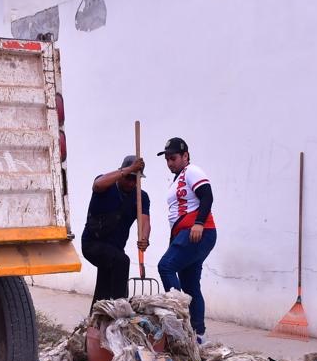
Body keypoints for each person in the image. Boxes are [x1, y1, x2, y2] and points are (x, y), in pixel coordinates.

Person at [156, 136, 217, 341]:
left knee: (165, 266)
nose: (169, 163)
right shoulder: (178, 178)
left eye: (173, 158)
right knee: (190, 285)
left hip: (197, 231)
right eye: (167, 159)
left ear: (185, 156)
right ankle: (198, 336)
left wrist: (199, 223)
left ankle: (179, 322)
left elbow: (207, 196)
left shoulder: (192, 171)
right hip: (186, 234)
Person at [81, 155, 151, 303]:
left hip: (115, 249)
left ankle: (97, 314)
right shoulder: (106, 184)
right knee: (122, 262)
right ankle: (119, 306)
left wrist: (144, 238)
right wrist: (131, 169)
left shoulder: (141, 197)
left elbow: (145, 221)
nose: (131, 183)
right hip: (92, 244)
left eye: (136, 179)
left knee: (105, 283)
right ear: (122, 172)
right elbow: (97, 185)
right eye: (129, 178)